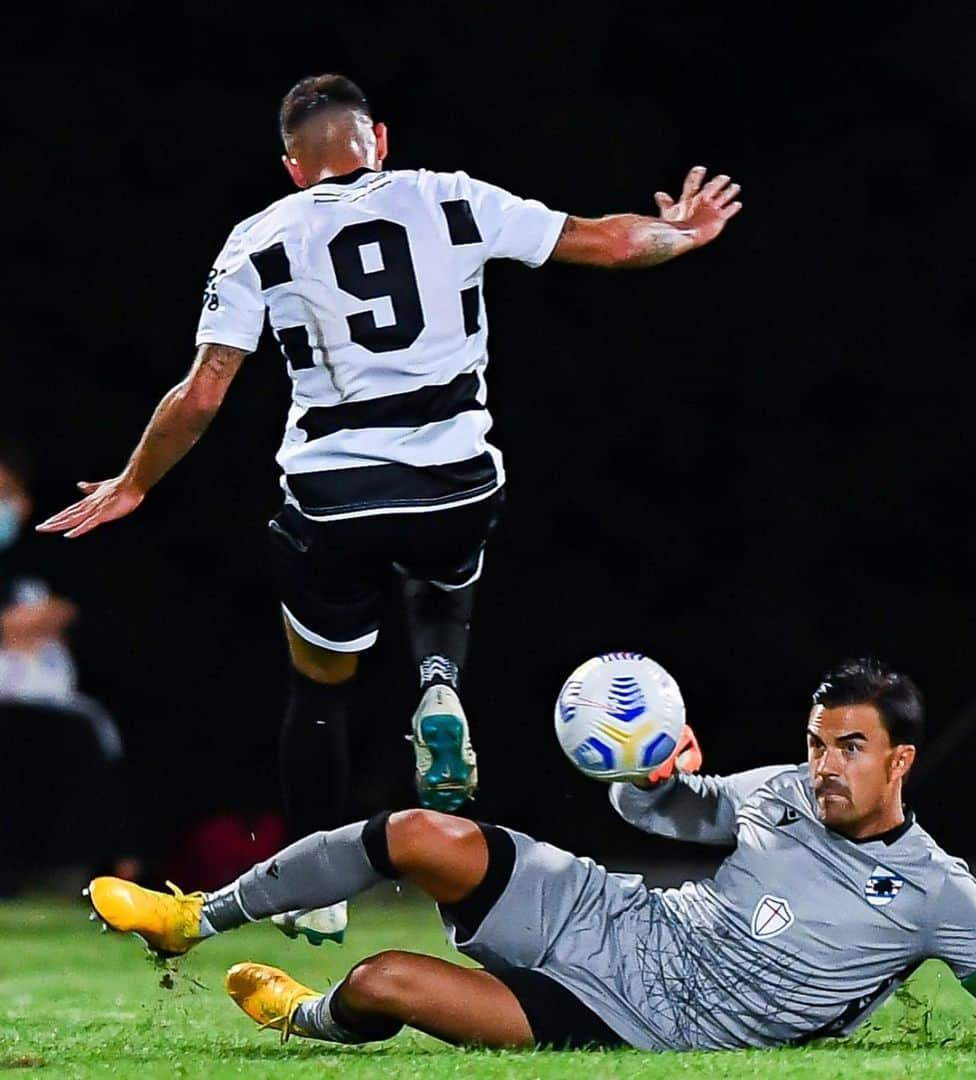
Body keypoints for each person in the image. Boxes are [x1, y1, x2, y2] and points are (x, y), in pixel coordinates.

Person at [36, 75, 743, 942]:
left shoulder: (261, 236)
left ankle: (315, 886)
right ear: (378, 140)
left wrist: (135, 482)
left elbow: (202, 392)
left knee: (320, 685)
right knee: (449, 561)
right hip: (456, 477)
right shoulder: (451, 198)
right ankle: (439, 682)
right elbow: (603, 242)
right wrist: (686, 232)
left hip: (333, 496)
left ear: (294, 167)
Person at [86, 658, 976, 1051]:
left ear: (899, 759)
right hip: (611, 917)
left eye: (849, 748)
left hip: (636, 1023)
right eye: (818, 740)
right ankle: (194, 916)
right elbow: (661, 822)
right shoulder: (776, 789)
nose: (824, 764)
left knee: (384, 980)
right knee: (418, 834)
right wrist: (650, 777)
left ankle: (310, 1019)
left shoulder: (938, 892)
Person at [0, 443, 134, 893]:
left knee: (95, 742)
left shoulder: (43, 558)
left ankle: (111, 872)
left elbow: (67, 612)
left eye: (5, 493)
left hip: (50, 705)